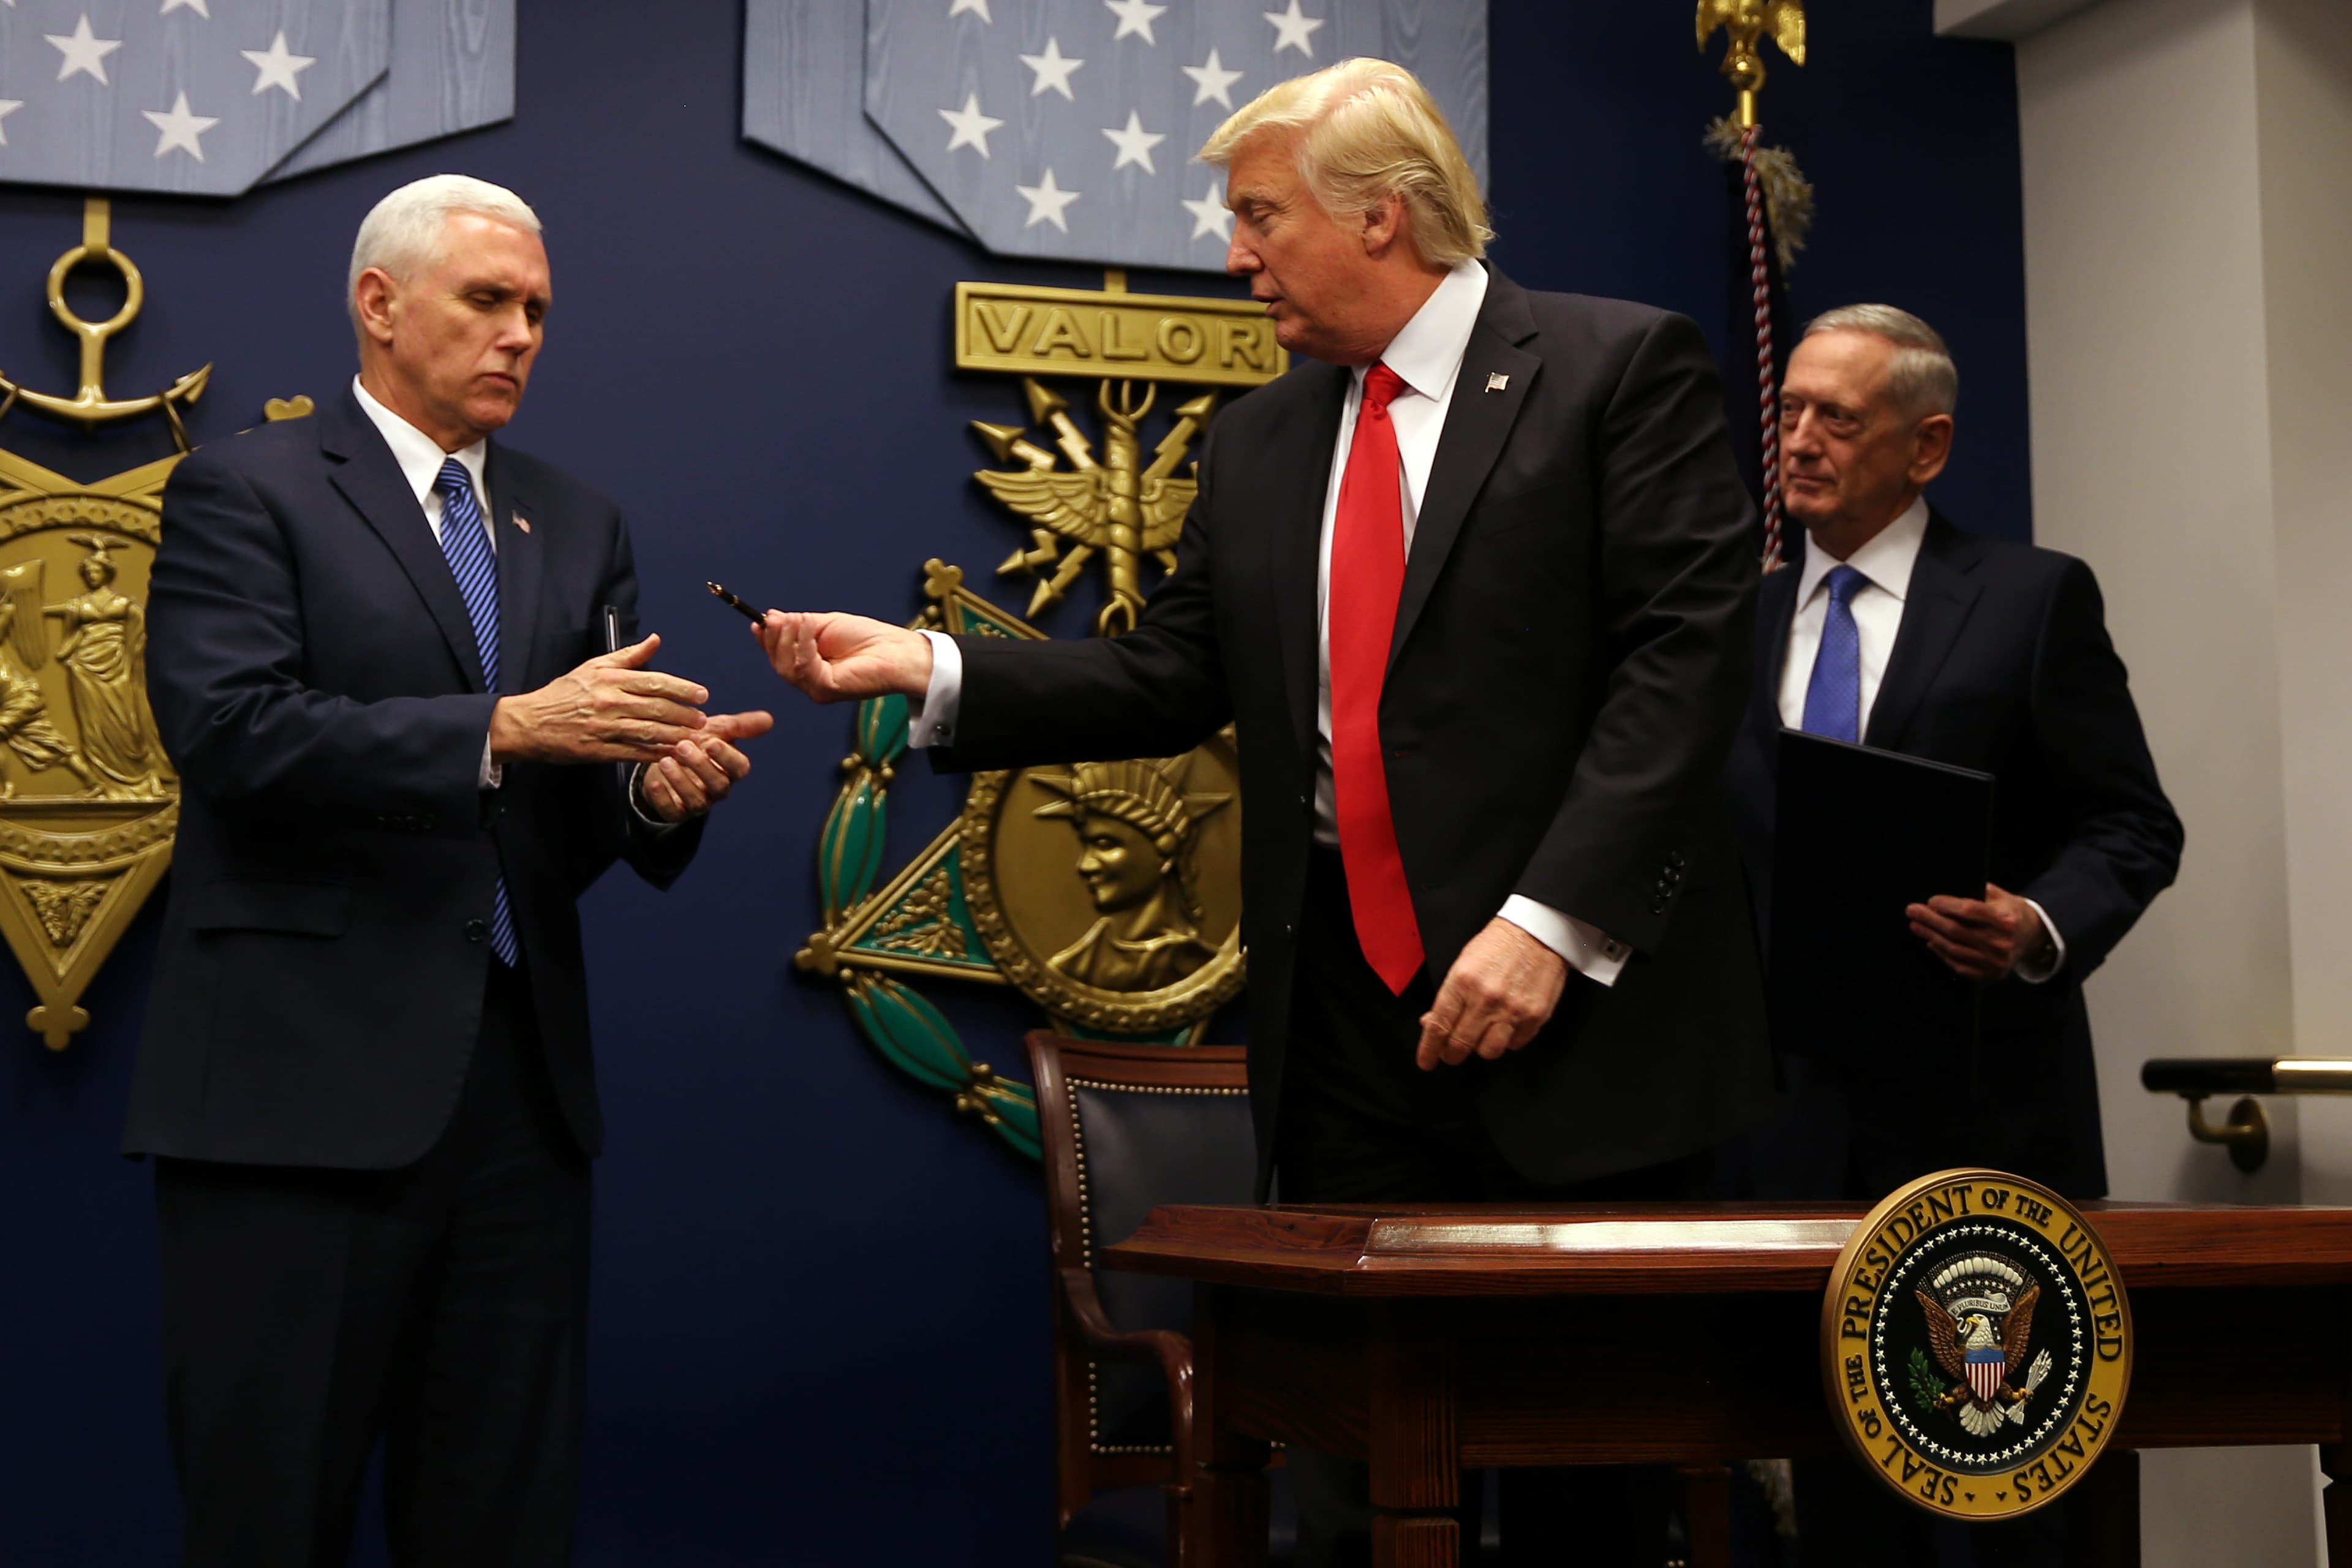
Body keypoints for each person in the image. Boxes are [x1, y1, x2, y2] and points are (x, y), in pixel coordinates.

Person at [759, 58, 1771, 1566]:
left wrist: (1549, 921)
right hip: (1347, 1032)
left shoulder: (1619, 368)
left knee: (1584, 1489)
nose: (1235, 255)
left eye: (1257, 216)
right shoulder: (1262, 437)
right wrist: (930, 664)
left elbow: (1680, 670)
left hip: (1571, 1025)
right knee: (1360, 1466)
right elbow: (1175, 673)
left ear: (1382, 216)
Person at [124, 174, 772, 1567]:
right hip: (294, 1112)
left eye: (537, 309)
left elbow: (568, 823)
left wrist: (652, 798)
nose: (522, 335)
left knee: (500, 1524)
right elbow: (230, 735)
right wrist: (509, 726)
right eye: (489, 301)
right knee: (268, 1520)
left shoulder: (577, 521)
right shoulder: (247, 486)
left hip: (521, 1119)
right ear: (379, 304)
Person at [1724, 305, 2182, 1564]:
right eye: (1792, 408)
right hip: (1790, 1131)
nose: (1800, 440)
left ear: (1925, 448)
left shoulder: (2032, 598)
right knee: (1831, 1503)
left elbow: (2135, 826)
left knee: (2018, 1489)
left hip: (1988, 1121)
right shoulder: (1740, 618)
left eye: (1839, 418)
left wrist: (2037, 921)